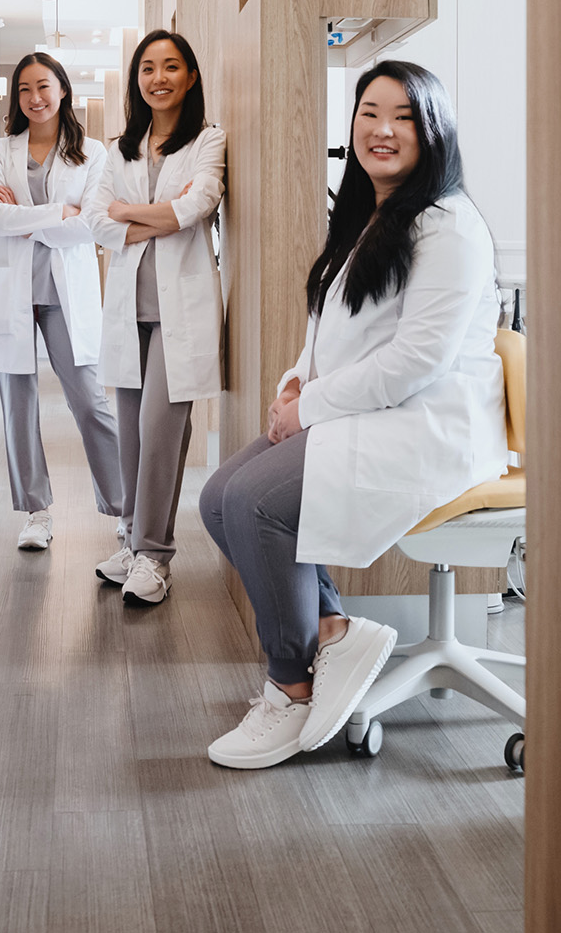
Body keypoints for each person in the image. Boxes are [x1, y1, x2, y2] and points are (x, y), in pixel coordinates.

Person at [198, 60, 509, 768]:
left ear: (433, 133)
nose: (383, 129)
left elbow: (415, 363)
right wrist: (292, 391)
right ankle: (331, 625)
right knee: (219, 498)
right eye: (370, 112)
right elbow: (330, 337)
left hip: (428, 426)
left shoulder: (448, 226)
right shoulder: (371, 219)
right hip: (370, 411)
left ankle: (291, 687)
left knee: (253, 502)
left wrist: (307, 410)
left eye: (403, 116)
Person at [0, 52, 127, 552]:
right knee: (17, 407)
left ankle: (125, 509)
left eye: (44, 86)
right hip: (11, 290)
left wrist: (32, 216)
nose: (34, 98)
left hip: (64, 294)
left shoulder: (93, 152)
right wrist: (58, 210)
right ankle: (36, 512)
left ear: (62, 90)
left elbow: (91, 225)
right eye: (24, 90)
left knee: (90, 402)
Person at [89, 31, 226, 607]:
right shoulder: (118, 148)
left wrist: (128, 214)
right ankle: (128, 536)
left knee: (159, 432)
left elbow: (201, 204)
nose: (159, 78)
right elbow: (97, 223)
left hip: (182, 311)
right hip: (129, 311)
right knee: (129, 434)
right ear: (136, 80)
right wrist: (158, 218)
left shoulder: (207, 141)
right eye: (148, 68)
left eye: (171, 67)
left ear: (190, 77)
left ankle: (154, 555)